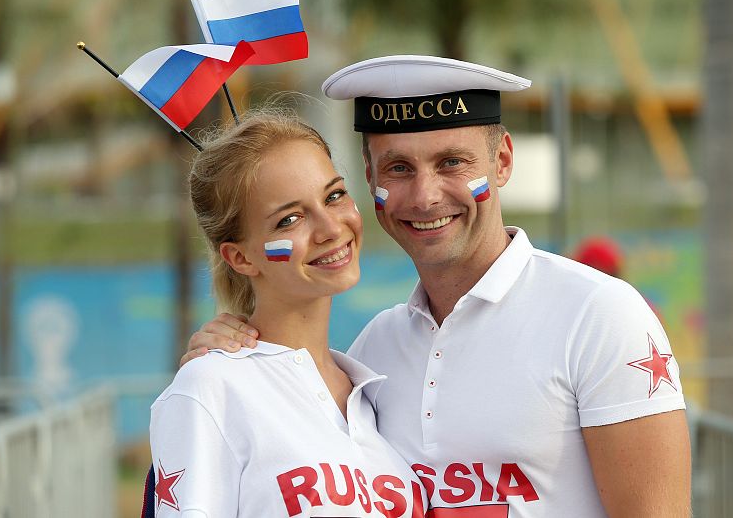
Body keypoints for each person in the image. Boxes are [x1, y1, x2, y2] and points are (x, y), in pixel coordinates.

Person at [183, 56, 691, 517]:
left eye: (452, 162)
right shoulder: (370, 355)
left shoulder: (600, 315)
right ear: (369, 177)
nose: (425, 197)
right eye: (399, 168)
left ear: (503, 161)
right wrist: (224, 365)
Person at [147, 111, 427, 517]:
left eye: (333, 196)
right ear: (240, 257)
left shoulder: (370, 390)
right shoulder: (211, 385)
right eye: (289, 219)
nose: (331, 228)